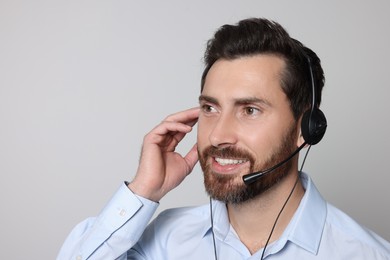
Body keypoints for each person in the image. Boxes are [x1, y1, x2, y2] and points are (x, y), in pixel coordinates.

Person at [57, 18, 390, 260]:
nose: (218, 134)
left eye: (249, 110)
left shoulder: (365, 254)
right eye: (210, 107)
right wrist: (143, 190)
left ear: (306, 128)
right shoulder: (159, 242)